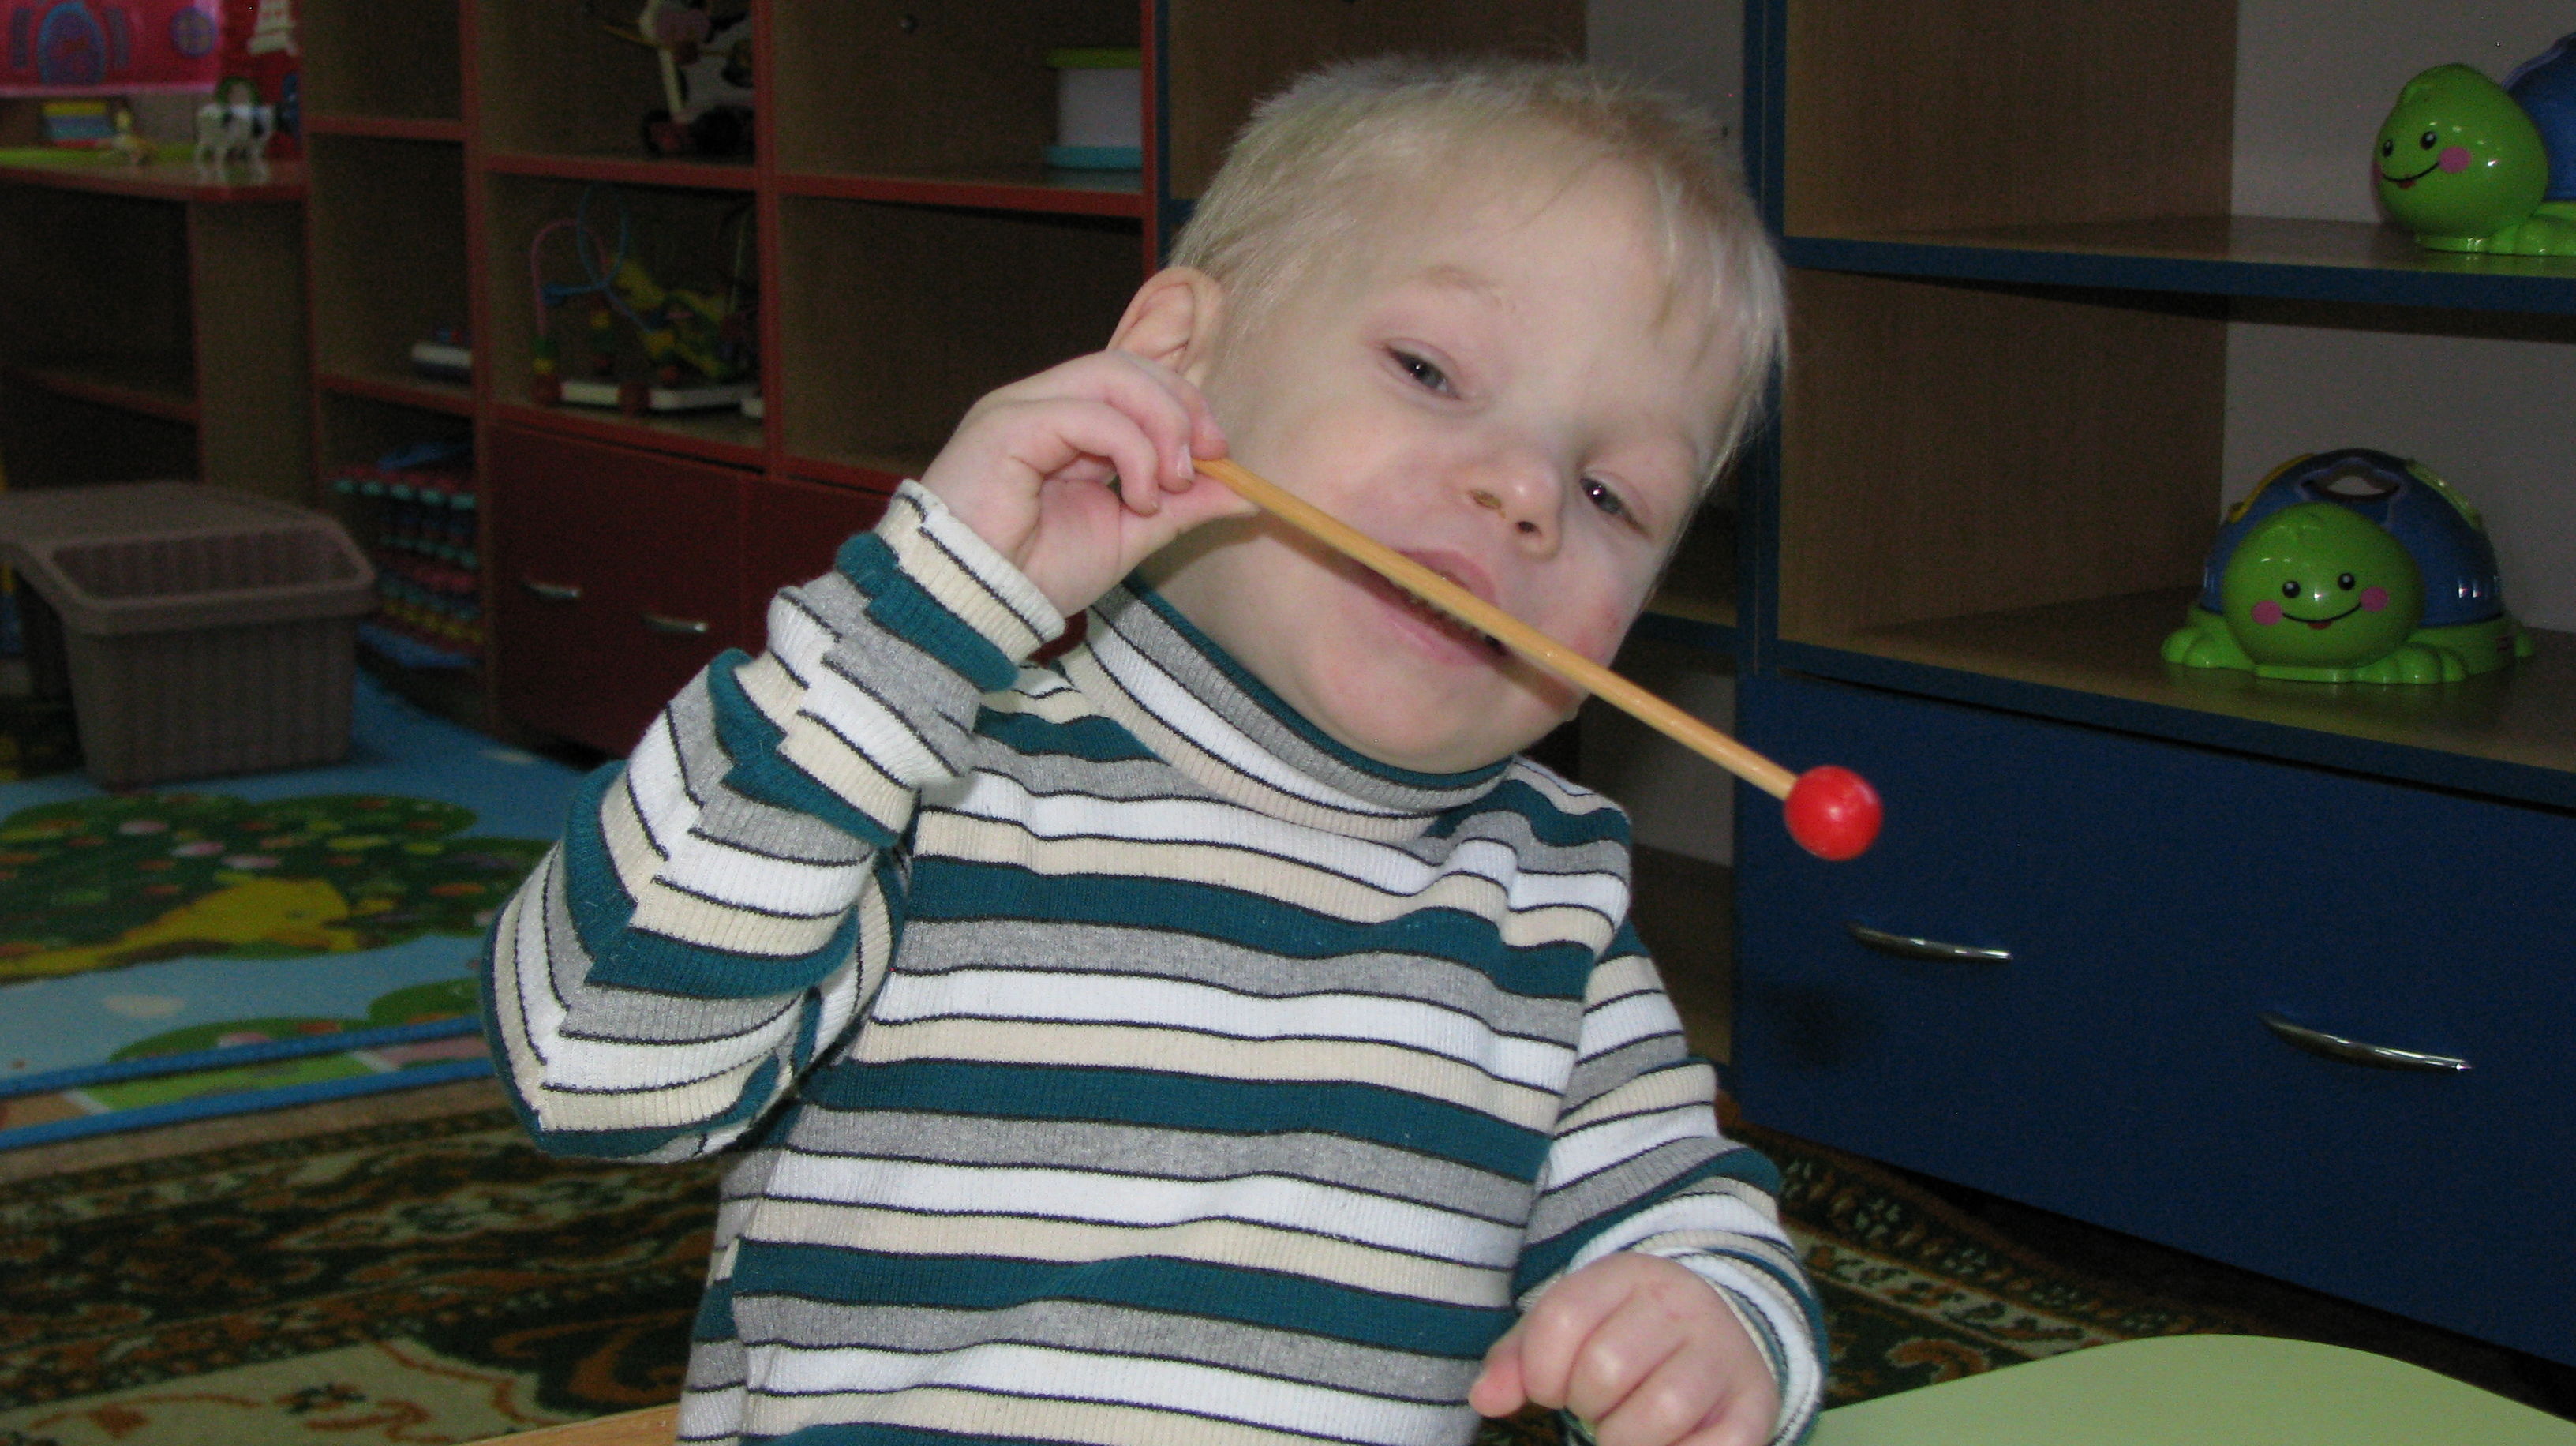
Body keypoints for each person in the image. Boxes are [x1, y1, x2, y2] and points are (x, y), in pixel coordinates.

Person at [481, 54, 1821, 1446]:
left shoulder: (1554, 911)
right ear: (1176, 359)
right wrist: (912, 624)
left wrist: (1711, 1329)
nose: (1528, 491)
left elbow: (1695, 1227)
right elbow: (586, 1057)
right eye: (1430, 372)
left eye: (1612, 493)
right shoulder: (916, 777)